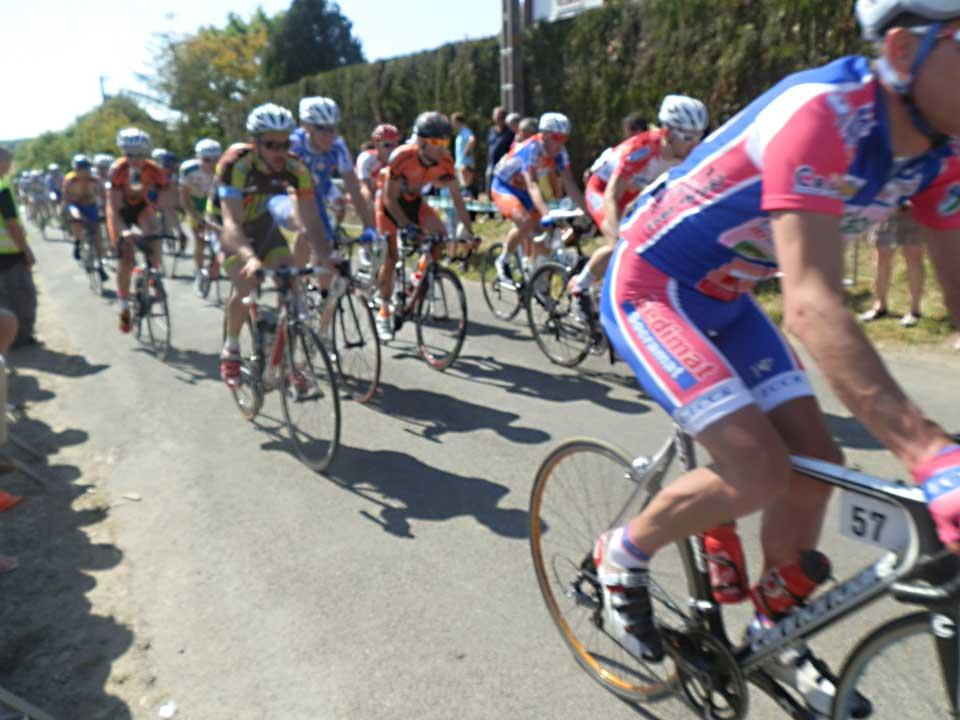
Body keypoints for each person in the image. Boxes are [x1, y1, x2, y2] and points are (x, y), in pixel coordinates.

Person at [592, 2, 960, 715]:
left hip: (729, 300)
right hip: (654, 286)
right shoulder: (822, 114)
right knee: (758, 468)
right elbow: (812, 306)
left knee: (817, 467)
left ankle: (775, 629)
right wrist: (928, 453)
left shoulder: (942, 154)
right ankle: (624, 553)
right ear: (903, 48)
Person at [215, 103, 332, 387]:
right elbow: (231, 223)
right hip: (227, 227)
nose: (280, 151)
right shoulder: (236, 164)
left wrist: (328, 256)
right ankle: (231, 348)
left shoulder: (296, 167)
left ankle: (287, 362)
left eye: (285, 143)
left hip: (262, 223)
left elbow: (311, 221)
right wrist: (250, 257)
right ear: (254, 142)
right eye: (271, 144)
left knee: (292, 285)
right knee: (246, 284)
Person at [567, 96, 709, 319]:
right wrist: (616, 233)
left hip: (633, 194)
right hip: (602, 190)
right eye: (688, 138)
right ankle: (579, 287)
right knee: (619, 245)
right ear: (668, 132)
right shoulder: (642, 149)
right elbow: (612, 195)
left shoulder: (685, 154)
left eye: (699, 137)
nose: (695, 145)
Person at [374, 111, 475, 340]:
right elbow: (389, 198)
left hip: (415, 202)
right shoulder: (402, 157)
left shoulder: (446, 161)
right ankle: (384, 310)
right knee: (391, 255)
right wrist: (405, 225)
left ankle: (415, 282)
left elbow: (457, 199)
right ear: (421, 142)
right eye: (436, 143)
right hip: (390, 206)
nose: (442, 148)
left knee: (440, 237)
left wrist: (469, 231)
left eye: (445, 143)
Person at [490, 112, 588, 283]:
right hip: (505, 187)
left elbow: (570, 183)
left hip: (525, 191)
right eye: (557, 137)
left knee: (544, 236)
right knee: (526, 222)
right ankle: (503, 260)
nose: (560, 143)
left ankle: (537, 279)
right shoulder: (532, 149)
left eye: (565, 138)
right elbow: (533, 185)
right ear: (544, 135)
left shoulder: (560, 152)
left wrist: (588, 210)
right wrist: (545, 213)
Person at [287, 96, 377, 265]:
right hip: (290, 193)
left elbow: (354, 188)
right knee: (306, 233)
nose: (330, 135)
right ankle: (294, 278)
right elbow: (290, 189)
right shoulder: (294, 145)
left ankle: (321, 281)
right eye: (322, 129)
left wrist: (368, 226)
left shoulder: (338, 146)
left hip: (318, 191)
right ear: (307, 127)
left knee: (328, 250)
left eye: (333, 128)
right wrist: (307, 226)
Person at [106, 128, 168, 334]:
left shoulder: (155, 170)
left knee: (155, 234)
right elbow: (114, 209)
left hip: (141, 207)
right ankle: (124, 307)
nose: (134, 159)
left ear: (146, 152)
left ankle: (153, 276)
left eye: (140, 154)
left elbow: (165, 201)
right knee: (126, 258)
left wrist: (166, 224)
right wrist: (124, 232)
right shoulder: (117, 170)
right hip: (120, 210)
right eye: (129, 154)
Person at [859, 202, 926, 326]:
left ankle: (915, 310)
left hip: (914, 211)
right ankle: (880, 306)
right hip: (886, 210)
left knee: (913, 259)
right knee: (882, 258)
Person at [0, 149, 37, 348]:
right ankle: (21, 338)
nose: (10, 165)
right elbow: (12, 225)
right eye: (8, 161)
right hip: (10, 252)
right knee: (23, 296)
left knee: (3, 297)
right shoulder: (2, 188)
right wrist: (26, 250)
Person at [179, 138, 223, 294]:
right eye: (206, 160)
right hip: (195, 203)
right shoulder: (188, 169)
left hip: (214, 203)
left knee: (222, 238)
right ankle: (198, 273)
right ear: (198, 158)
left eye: (216, 160)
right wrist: (194, 216)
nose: (212, 164)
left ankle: (216, 265)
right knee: (200, 240)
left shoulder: (224, 169)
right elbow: (184, 197)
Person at [62, 154, 107, 280]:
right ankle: (77, 242)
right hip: (75, 205)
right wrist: (66, 211)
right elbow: (65, 198)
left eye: (86, 168)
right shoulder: (70, 180)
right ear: (75, 169)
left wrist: (104, 211)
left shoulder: (95, 179)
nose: (84, 171)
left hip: (90, 206)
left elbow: (103, 196)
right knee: (76, 218)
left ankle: (101, 265)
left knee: (98, 236)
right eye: (81, 168)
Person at [485, 107, 515, 195]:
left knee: (502, 192)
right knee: (489, 192)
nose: (500, 120)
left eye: (502, 117)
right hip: (491, 166)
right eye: (498, 117)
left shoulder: (510, 133)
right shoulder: (490, 130)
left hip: (504, 168)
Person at [451, 112, 477, 196]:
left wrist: (467, 150)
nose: (453, 124)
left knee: (467, 186)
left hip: (466, 164)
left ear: (458, 121)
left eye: (453, 122)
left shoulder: (465, 131)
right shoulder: (460, 133)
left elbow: (472, 139)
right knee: (464, 186)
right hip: (460, 163)